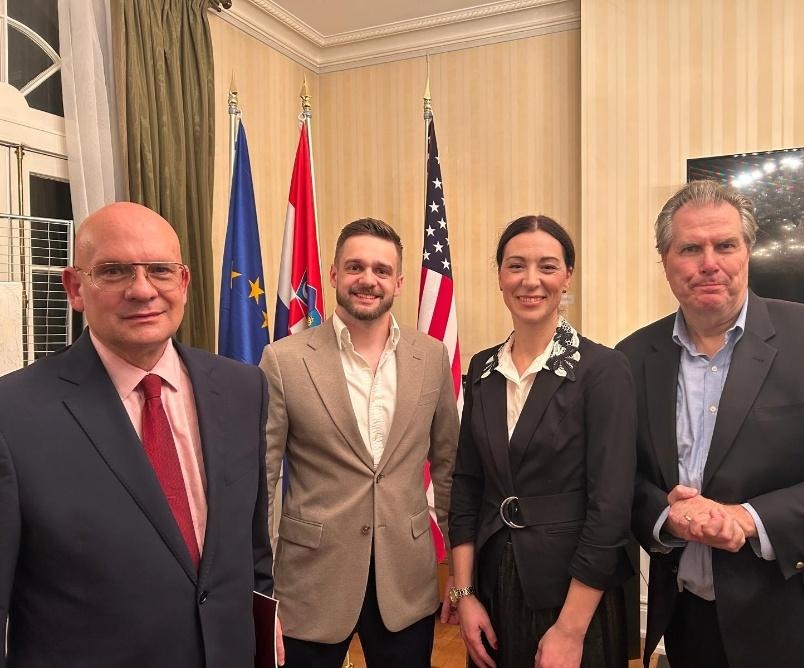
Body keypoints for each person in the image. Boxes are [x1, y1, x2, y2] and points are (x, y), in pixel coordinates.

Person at [617, 180, 804, 667]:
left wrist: (750, 519)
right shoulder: (632, 357)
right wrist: (665, 516)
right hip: (691, 625)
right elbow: (621, 478)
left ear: (748, 251)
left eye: (725, 245)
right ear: (665, 260)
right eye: (690, 248)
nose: (709, 263)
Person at [0, 202, 273, 667]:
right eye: (114, 271)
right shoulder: (13, 414)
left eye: (160, 270)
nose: (143, 290)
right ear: (75, 288)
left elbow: (252, 547)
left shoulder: (242, 388)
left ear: (183, 282)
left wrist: (262, 631)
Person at [261, 218, 459, 667]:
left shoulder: (431, 357)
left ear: (399, 282)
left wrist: (459, 572)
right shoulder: (284, 360)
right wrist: (259, 583)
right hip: (310, 583)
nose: (368, 279)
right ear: (334, 274)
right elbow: (263, 479)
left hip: (406, 581)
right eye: (355, 267)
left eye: (381, 270)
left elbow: (448, 469)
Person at [449, 215, 636, 668]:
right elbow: (468, 486)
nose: (530, 280)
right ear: (499, 275)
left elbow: (610, 509)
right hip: (492, 585)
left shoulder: (602, 370)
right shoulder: (482, 369)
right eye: (516, 265)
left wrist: (570, 630)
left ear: (567, 276)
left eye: (547, 266)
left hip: (574, 594)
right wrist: (464, 594)